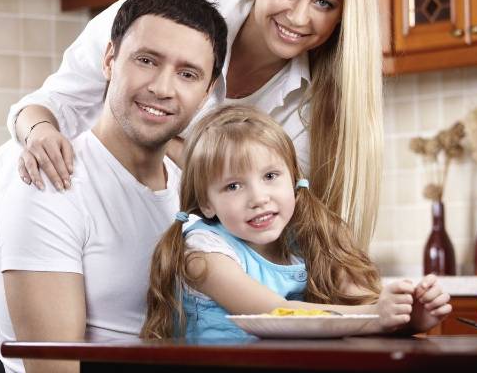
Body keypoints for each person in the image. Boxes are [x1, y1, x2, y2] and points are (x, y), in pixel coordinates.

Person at [0, 0, 383, 252]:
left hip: (150, 242)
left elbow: (266, 214)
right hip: (48, 209)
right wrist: (38, 132)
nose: (298, 17)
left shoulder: (317, 105)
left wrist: (185, 152)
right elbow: (51, 102)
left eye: (324, 3)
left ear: (344, 14)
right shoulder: (166, 10)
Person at [0, 0, 228, 373]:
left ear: (207, 92)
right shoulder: (50, 181)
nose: (162, 88)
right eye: (147, 60)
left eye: (187, 73)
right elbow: (53, 370)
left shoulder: (196, 191)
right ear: (110, 60)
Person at [141, 105, 452, 339]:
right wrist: (375, 315)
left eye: (270, 176)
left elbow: (365, 307)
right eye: (233, 186)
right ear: (206, 203)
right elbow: (275, 314)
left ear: (293, 179)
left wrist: (409, 317)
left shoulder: (303, 241)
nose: (258, 197)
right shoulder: (203, 253)